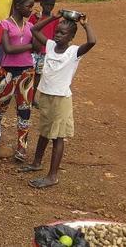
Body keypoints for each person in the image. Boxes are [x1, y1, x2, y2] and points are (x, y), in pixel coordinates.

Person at [20, 12, 96, 188]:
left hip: (61, 98)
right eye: (57, 32)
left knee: (57, 137)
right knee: (45, 131)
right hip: (46, 94)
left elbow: (92, 42)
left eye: (63, 33)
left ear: (71, 37)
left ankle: (53, 175)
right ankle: (36, 163)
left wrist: (86, 24)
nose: (58, 35)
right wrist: (54, 17)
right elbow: (35, 29)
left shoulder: (73, 52)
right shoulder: (51, 45)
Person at [0, 0, 37, 163]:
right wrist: (30, 46)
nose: (31, 10)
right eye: (28, 6)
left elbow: (39, 45)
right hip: (8, 71)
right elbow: (8, 49)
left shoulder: (30, 26)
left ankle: (22, 147)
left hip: (27, 71)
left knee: (24, 110)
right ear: (18, 6)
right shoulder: (4, 24)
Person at [28, 0, 59, 108]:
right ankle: (25, 96)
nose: (49, 6)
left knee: (38, 75)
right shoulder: (35, 17)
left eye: (52, 4)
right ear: (41, 3)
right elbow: (29, 31)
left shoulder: (55, 19)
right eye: (47, 4)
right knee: (28, 74)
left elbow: (55, 35)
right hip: (33, 50)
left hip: (45, 52)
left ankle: (32, 98)